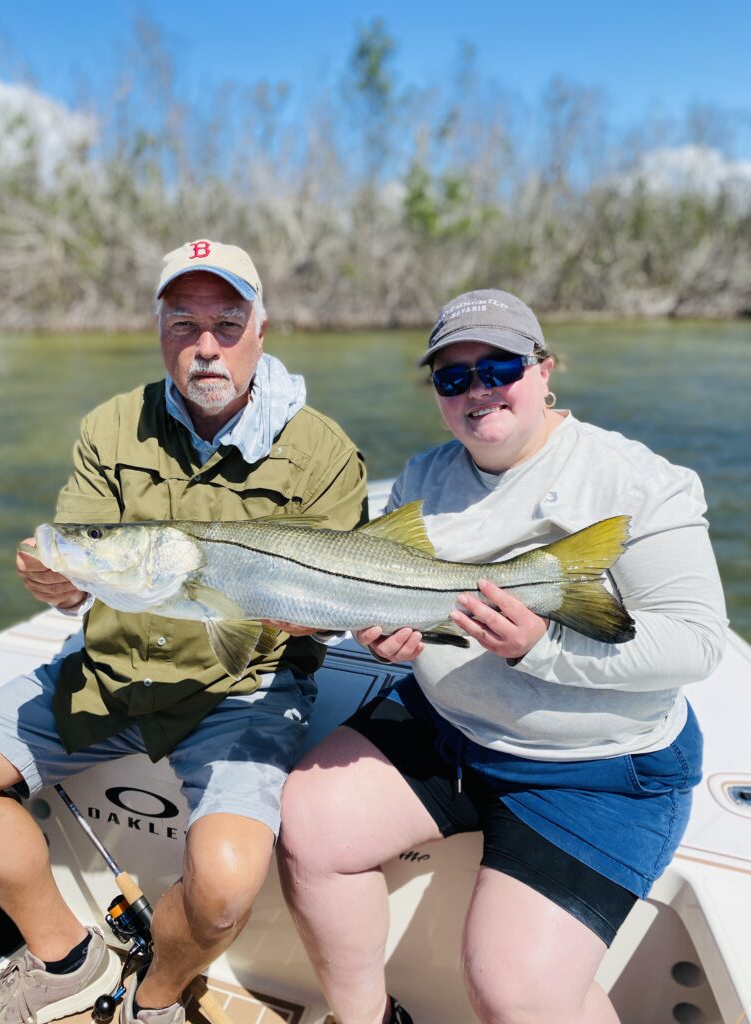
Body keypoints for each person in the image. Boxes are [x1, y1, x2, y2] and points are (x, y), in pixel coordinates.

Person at [277, 289, 728, 1024]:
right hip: (449, 725)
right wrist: (384, 636)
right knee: (306, 824)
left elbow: (697, 642)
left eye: (501, 367)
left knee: (512, 993)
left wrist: (541, 649)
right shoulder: (423, 478)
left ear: (546, 370)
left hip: (598, 770)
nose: (478, 390)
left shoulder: (637, 483)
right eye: (453, 378)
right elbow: (384, 602)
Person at [0, 238, 367, 1024]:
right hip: (110, 672)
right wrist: (59, 581)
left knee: (225, 888)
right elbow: (75, 551)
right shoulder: (111, 426)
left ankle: (152, 1001)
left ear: (263, 327)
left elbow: (348, 594)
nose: (205, 345)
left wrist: (370, 622)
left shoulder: (324, 452)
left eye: (226, 322)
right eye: (183, 323)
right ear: (159, 330)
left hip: (245, 686)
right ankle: (67, 959)